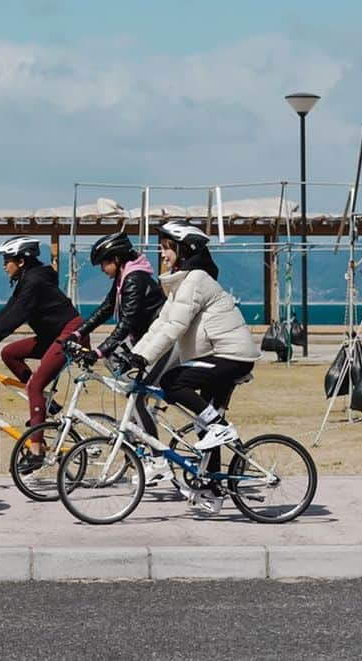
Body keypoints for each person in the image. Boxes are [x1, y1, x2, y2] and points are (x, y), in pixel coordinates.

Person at [127, 220, 260, 513]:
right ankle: (212, 488)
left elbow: (175, 327)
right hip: (222, 354)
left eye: (166, 248)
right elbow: (160, 324)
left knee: (173, 382)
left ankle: (221, 426)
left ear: (184, 249)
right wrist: (135, 354)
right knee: (203, 426)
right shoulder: (183, 281)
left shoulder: (196, 280)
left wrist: (145, 358)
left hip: (232, 355)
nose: (161, 254)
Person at [0, 236, 84, 473]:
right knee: (10, 353)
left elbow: (15, 317)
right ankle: (46, 404)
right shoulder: (28, 279)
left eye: (7, 260)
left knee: (34, 387)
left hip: (69, 335)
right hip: (52, 336)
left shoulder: (34, 282)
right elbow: (7, 311)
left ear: (22, 261)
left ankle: (37, 450)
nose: (3, 265)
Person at [67, 231, 170, 484]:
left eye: (104, 263)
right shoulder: (126, 276)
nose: (102, 269)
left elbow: (127, 322)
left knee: (136, 398)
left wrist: (99, 350)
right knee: (131, 391)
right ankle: (141, 432)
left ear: (116, 258)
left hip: (161, 347)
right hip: (145, 346)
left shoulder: (135, 278)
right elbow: (105, 308)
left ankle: (159, 461)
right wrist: (78, 333)